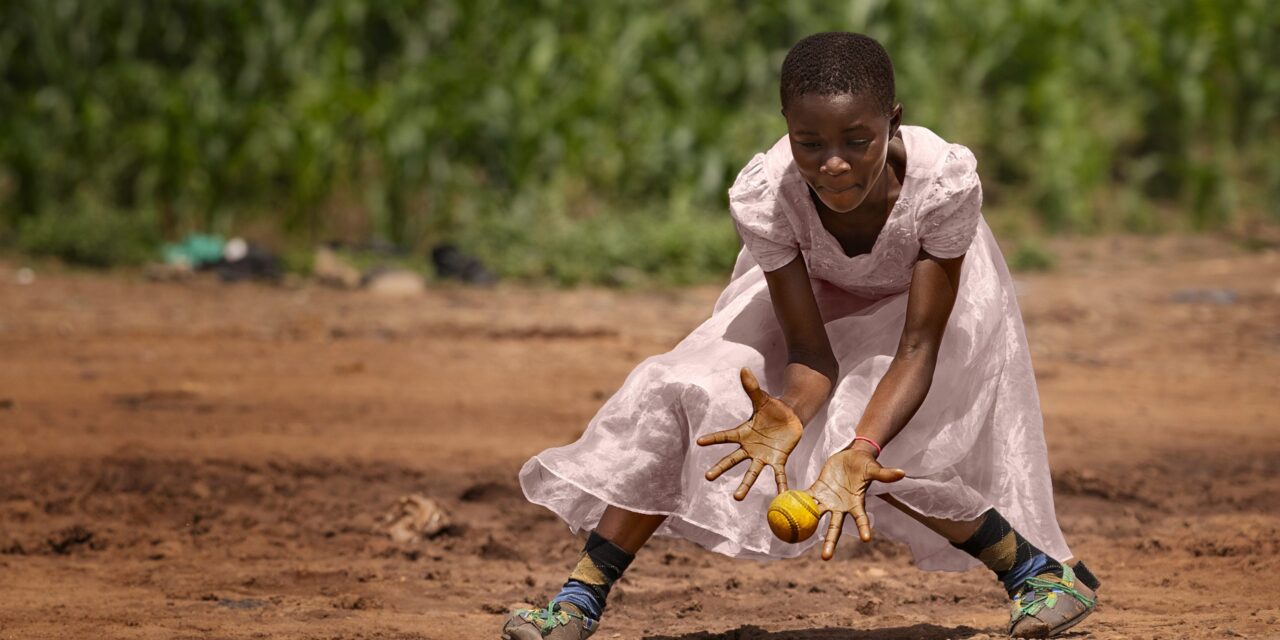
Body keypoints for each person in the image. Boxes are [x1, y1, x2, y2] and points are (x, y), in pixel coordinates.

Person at [502, 32, 1100, 640]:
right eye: (808, 143)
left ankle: (1038, 576)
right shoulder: (770, 195)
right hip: (818, 293)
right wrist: (786, 412)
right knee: (679, 386)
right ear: (786, 127)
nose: (831, 164)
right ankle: (577, 604)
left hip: (922, 309)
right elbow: (812, 355)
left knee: (867, 440)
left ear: (893, 122)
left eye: (856, 141)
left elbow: (917, 349)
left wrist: (860, 448)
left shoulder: (941, 188)